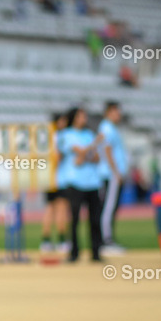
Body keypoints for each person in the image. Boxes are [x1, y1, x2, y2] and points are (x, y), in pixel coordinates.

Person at [57, 107, 104, 263]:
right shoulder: (66, 135)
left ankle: (95, 251)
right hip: (75, 181)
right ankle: (74, 252)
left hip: (92, 181)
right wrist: (94, 144)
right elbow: (82, 152)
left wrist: (85, 155)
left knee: (95, 219)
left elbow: (95, 157)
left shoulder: (88, 134)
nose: (84, 118)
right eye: (81, 115)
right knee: (75, 219)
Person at [98, 101, 129, 254]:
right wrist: (115, 172)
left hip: (113, 174)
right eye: (116, 111)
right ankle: (106, 240)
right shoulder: (107, 128)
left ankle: (108, 238)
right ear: (109, 112)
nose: (119, 115)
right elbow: (107, 150)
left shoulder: (111, 128)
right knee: (108, 208)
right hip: (110, 175)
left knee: (112, 207)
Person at [39, 111, 70, 253]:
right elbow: (57, 157)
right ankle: (62, 239)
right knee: (61, 208)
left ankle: (46, 240)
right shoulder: (59, 137)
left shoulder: (47, 137)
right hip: (58, 178)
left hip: (48, 178)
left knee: (50, 208)